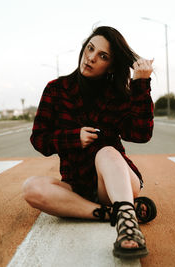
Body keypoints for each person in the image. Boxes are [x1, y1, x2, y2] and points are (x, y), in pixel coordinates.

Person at [23, 26, 156, 259]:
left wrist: (141, 85)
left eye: (102, 56)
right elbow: (39, 139)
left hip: (116, 181)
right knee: (31, 189)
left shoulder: (118, 95)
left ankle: (128, 228)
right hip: (77, 187)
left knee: (106, 151)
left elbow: (140, 134)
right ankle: (115, 213)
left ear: (111, 65)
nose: (91, 58)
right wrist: (74, 138)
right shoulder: (56, 90)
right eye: (90, 48)